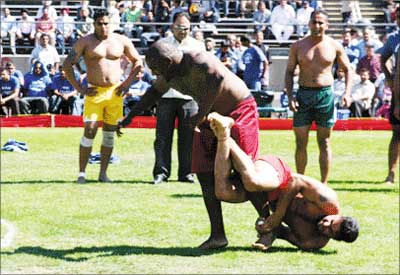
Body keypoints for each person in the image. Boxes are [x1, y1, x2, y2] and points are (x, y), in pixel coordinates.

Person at [118, 40, 264, 249]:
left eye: (157, 69)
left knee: (246, 172)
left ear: (169, 62)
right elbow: (153, 93)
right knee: (205, 174)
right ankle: (217, 235)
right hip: (207, 117)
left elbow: (218, 79)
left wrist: (199, 114)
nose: (156, 74)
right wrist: (129, 117)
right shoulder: (169, 73)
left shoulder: (197, 58)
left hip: (238, 110)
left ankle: (270, 226)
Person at [207, 112, 359, 251]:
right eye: (331, 222)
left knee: (222, 192)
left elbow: (281, 232)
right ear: (339, 216)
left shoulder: (312, 242)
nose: (325, 225)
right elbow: (296, 180)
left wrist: (266, 228)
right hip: (278, 177)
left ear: (334, 238)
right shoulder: (328, 201)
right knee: (252, 181)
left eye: (330, 231)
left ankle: (223, 136)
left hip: (262, 196)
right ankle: (226, 134)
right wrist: (278, 214)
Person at [62, 9, 143, 184]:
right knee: (90, 130)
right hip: (95, 92)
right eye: (100, 23)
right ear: (94, 24)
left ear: (111, 23)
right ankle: (81, 173)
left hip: (115, 93)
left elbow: (138, 61)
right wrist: (79, 88)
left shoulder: (121, 41)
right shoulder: (85, 42)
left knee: (109, 134)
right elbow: (67, 65)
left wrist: (127, 83)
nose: (104, 27)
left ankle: (103, 174)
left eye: (106, 23)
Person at [285, 10, 353, 184]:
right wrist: (291, 95)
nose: (317, 26)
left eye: (321, 23)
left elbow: (347, 70)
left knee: (324, 142)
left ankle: (324, 184)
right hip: (303, 95)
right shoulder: (298, 46)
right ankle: (301, 181)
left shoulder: (334, 45)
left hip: (325, 95)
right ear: (309, 24)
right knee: (300, 142)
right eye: (314, 22)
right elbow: (289, 71)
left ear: (327, 25)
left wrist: (347, 92)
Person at [147, 12, 205, 185]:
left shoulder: (198, 46)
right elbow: (151, 67)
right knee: (162, 136)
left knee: (188, 138)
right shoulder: (162, 45)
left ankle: (186, 173)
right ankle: (161, 173)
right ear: (173, 27)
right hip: (166, 97)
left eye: (186, 28)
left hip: (189, 97)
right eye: (180, 28)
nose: (183, 31)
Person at [380, 7, 400, 185]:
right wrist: (389, 77)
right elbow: (382, 58)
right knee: (397, 134)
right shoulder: (394, 38)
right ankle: (391, 173)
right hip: (399, 90)